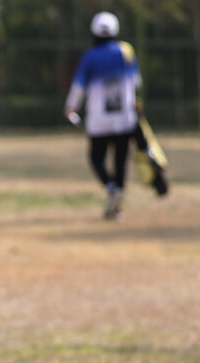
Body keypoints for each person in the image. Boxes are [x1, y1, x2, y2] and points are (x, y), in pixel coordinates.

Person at [63, 11, 144, 220]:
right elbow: (137, 83)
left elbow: (79, 87)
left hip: (98, 120)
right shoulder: (125, 52)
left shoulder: (90, 57)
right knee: (120, 161)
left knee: (96, 158)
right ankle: (118, 205)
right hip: (124, 118)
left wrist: (71, 108)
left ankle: (111, 189)